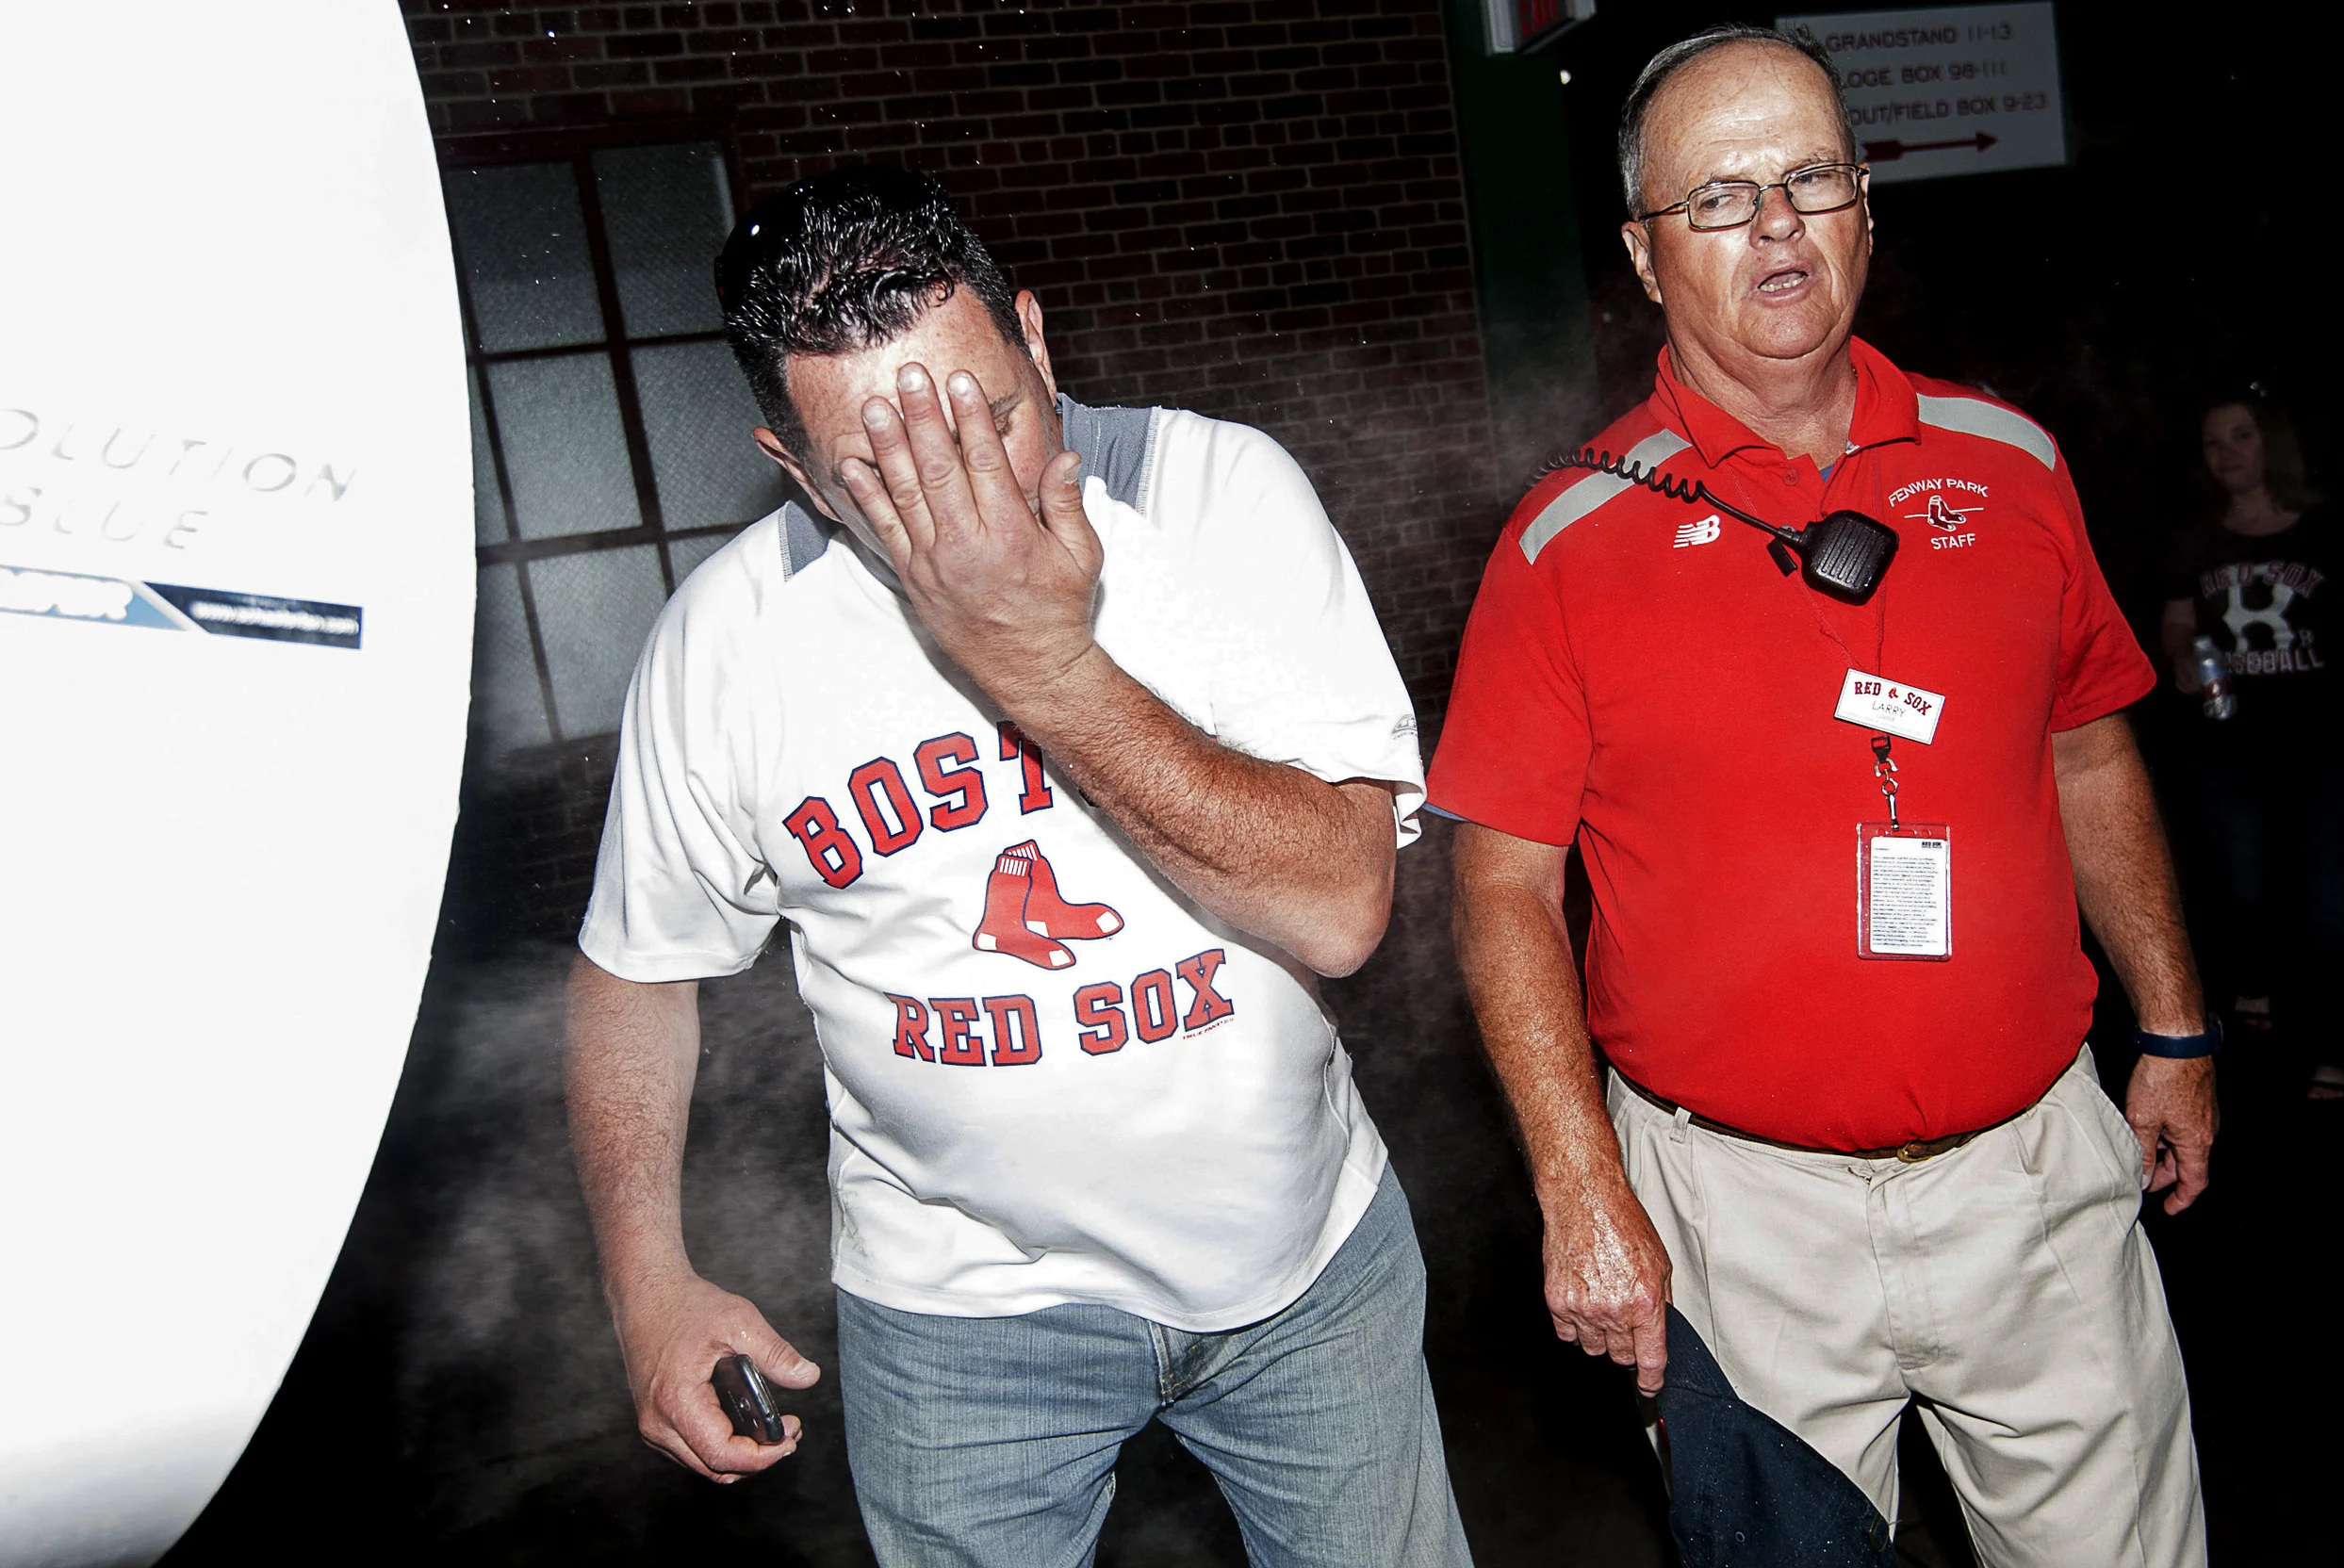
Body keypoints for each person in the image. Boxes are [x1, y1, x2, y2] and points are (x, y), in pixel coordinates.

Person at [564, 165, 1470, 1567]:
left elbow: (1344, 904)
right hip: (960, 1319)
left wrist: (1041, 662)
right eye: (883, 474)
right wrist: (646, 1284)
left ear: (1037, 339)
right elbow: (636, 972)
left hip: (1304, 1274)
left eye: (985, 420)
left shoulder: (1219, 499)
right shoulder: (728, 641)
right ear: (792, 465)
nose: (961, 502)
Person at [1429, 24, 2215, 1566]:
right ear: (1648, 258)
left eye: (1810, 176)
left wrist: (2175, 1022)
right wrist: (1581, 1184)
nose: (1776, 221)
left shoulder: (2012, 464)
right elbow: (1499, 884)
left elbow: (2089, 743)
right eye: (1717, 197)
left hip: (2035, 1182)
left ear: (1866, 207)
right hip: (1736, 1224)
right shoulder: (1564, 545)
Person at [2161, 389, 2344, 1099]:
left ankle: (2335, 1047)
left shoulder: (2326, 530)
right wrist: (2181, 656)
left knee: (2328, 896)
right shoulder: (2197, 540)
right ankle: (2256, 997)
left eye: (2241, 436)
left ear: (2270, 441)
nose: (2227, 454)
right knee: (2245, 884)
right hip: (2231, 744)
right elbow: (2178, 624)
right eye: (2214, 443)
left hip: (2324, 741)